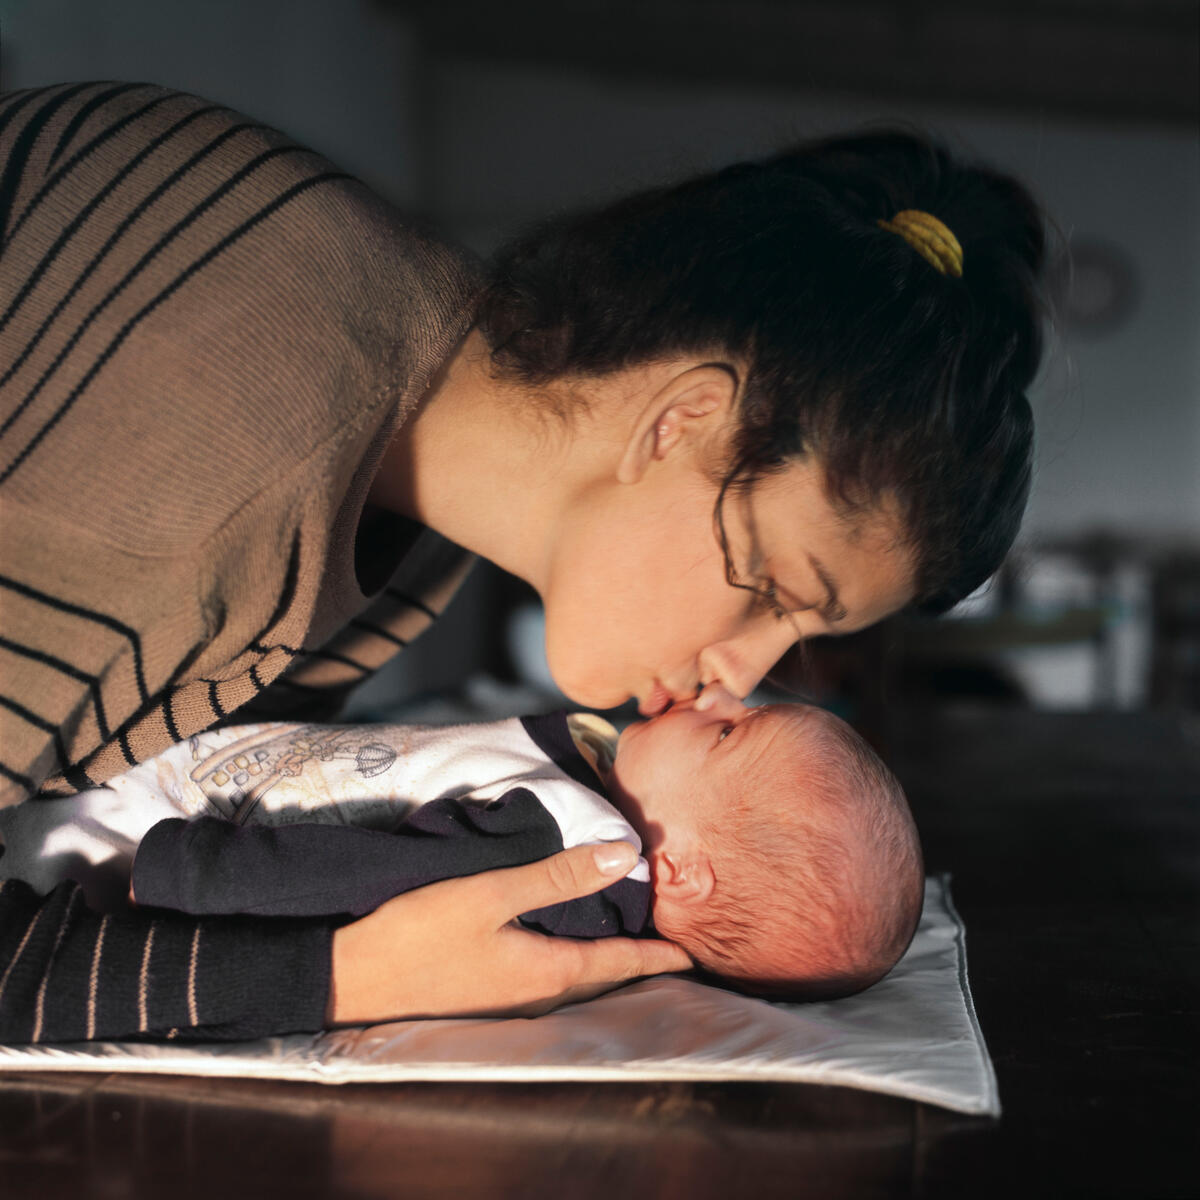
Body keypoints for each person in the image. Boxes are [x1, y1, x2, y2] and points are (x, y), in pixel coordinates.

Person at [0, 82, 1045, 1042]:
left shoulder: (412, 530)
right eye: (773, 589)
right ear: (686, 422)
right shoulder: (218, 423)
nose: (742, 675)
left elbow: (202, 794)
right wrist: (349, 977)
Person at [1, 685, 922, 1001]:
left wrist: (188, 871)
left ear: (675, 866)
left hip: (117, 838)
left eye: (729, 733)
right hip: (159, 782)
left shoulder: (574, 850)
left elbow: (364, 880)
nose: (718, 697)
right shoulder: (591, 792)